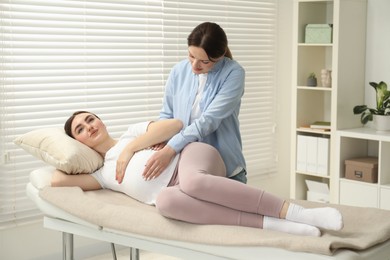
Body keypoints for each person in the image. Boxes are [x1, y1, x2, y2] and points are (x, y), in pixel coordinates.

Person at [52, 111, 344, 237]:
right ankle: (272, 225)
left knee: (192, 181)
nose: (89, 126)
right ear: (79, 142)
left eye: (90, 119)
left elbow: (175, 125)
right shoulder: (102, 174)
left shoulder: (131, 134)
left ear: (100, 120)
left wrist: (129, 151)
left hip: (192, 159)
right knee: (165, 203)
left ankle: (301, 214)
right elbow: (56, 179)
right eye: (80, 129)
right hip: (175, 192)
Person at [147, 22, 247, 183]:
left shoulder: (234, 73)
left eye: (204, 61)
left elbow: (209, 121)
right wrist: (161, 139)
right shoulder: (178, 71)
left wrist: (172, 147)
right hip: (187, 168)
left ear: (219, 56)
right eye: (191, 56)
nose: (195, 65)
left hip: (226, 169)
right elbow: (167, 114)